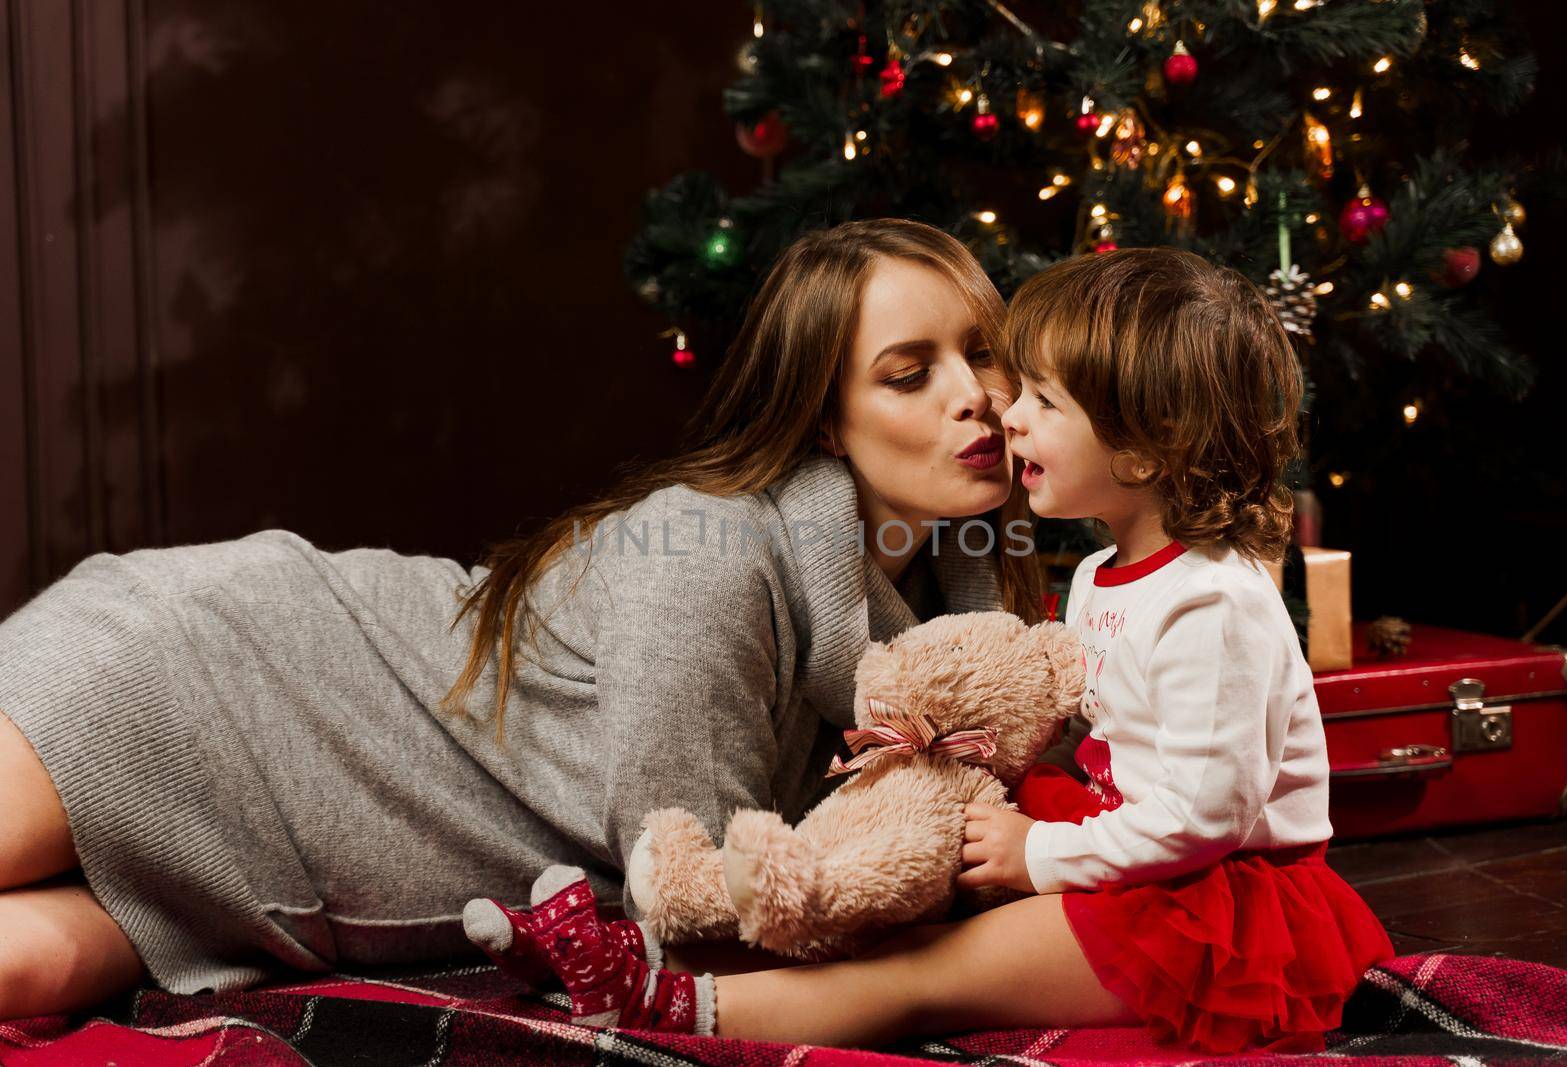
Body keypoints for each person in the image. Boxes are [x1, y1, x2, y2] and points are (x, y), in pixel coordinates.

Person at [0, 218, 1042, 1019]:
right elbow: (692, 912)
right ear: (821, 414)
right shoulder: (710, 554)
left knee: (38, 966)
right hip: (217, 679)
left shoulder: (962, 595)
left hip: (301, 874)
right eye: (909, 372)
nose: (976, 397)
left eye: (986, 353)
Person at [466, 247, 1395, 1054]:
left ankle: (683, 1009)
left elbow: (1205, 817)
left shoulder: (1213, 605)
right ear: (824, 417)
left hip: (1217, 909)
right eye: (913, 372)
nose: (999, 412)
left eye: (1031, 391)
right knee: (925, 904)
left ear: (1147, 452)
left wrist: (1040, 851)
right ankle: (679, 963)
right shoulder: (1099, 570)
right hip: (1131, 856)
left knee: (929, 971)